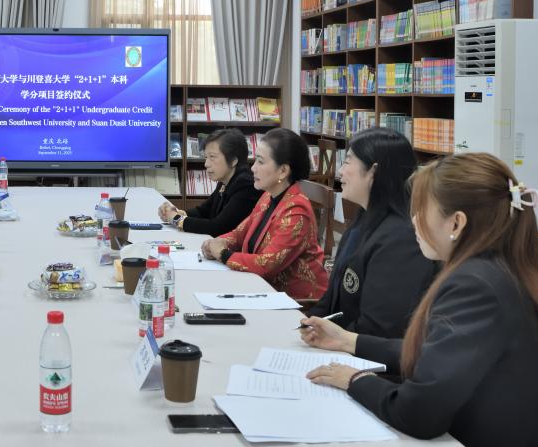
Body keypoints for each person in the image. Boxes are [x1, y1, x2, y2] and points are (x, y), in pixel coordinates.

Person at [303, 153, 538, 447]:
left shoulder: (475, 284)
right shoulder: (499, 268)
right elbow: (435, 352)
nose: (413, 221)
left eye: (420, 211)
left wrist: (355, 380)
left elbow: (418, 413)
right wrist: (348, 341)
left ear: (456, 222)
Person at [304, 127, 436, 337]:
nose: (340, 171)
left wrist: (330, 339)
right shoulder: (364, 218)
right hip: (339, 342)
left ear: (373, 171)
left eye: (347, 162)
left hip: (361, 351)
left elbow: (379, 327)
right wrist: (309, 324)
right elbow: (332, 297)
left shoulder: (401, 238)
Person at [200, 129, 328, 298]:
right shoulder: (268, 196)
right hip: (263, 290)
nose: (253, 168)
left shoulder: (297, 211)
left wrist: (223, 254)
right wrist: (217, 242)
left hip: (297, 303)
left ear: (283, 171)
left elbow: (266, 265)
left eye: (260, 162)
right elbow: (239, 233)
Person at [158, 128, 260, 235]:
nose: (206, 164)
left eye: (212, 157)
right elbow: (203, 211)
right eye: (206, 157)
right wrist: (176, 213)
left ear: (233, 160)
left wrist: (176, 219)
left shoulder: (246, 185)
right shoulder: (225, 180)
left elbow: (217, 227)